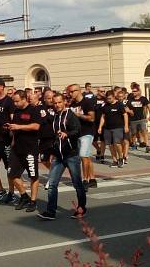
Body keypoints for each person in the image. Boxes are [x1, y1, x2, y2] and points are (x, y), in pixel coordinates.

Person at [37, 92, 86, 220]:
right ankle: (50, 211)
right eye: (55, 103)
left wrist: (66, 134)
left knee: (77, 183)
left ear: (64, 102)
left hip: (71, 155)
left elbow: (77, 130)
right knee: (52, 184)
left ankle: (81, 208)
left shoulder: (70, 115)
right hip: (58, 156)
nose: (57, 105)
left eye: (59, 102)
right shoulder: (55, 116)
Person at [6, 90, 41, 212]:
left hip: (30, 148)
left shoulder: (33, 110)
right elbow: (15, 126)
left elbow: (36, 126)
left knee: (33, 176)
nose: (15, 103)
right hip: (17, 148)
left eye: (17, 101)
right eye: (14, 101)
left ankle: (33, 201)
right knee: (12, 174)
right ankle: (24, 196)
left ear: (24, 99)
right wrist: (11, 128)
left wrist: (19, 127)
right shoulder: (16, 111)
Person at [67, 84, 97, 188]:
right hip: (77, 133)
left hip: (87, 132)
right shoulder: (73, 104)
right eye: (69, 92)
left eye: (72, 91)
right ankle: (92, 179)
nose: (70, 94)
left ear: (78, 91)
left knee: (83, 155)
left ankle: (85, 180)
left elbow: (92, 118)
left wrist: (78, 115)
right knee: (87, 157)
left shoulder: (87, 102)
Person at [97, 89, 127, 168]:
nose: (109, 100)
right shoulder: (105, 106)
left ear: (114, 97)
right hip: (107, 128)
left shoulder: (119, 105)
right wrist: (100, 127)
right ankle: (114, 160)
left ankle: (121, 158)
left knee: (117, 143)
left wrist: (126, 126)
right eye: (107, 98)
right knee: (110, 145)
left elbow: (125, 115)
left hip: (118, 127)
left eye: (110, 98)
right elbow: (103, 117)